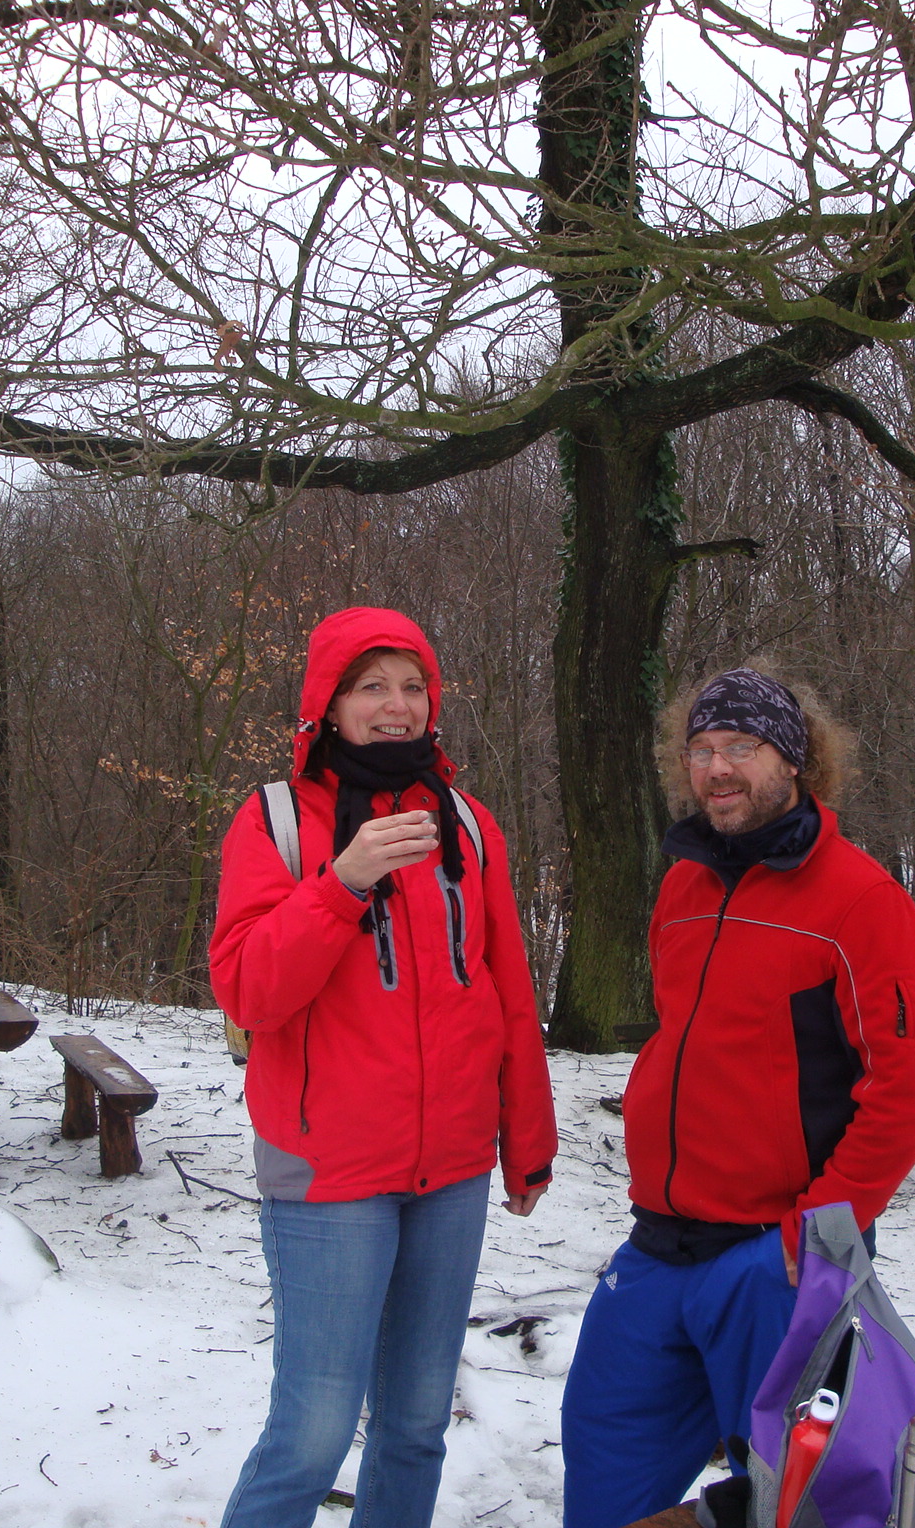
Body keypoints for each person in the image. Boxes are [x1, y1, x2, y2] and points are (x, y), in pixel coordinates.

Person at [560, 666, 915, 1528]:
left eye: (742, 746)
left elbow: (906, 1087)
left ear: (795, 759)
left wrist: (817, 1233)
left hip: (777, 1259)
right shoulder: (683, 887)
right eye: (700, 749)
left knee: (792, 1501)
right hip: (658, 1245)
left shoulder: (862, 900)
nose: (717, 768)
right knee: (603, 1473)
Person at [209, 606, 557, 1528]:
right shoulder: (276, 821)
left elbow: (507, 990)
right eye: (371, 687)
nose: (396, 705)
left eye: (412, 686)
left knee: (414, 1427)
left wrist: (526, 1139)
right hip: (330, 1174)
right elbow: (249, 992)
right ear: (329, 704)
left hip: (452, 1171)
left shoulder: (467, 824)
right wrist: (342, 883)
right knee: (312, 1433)